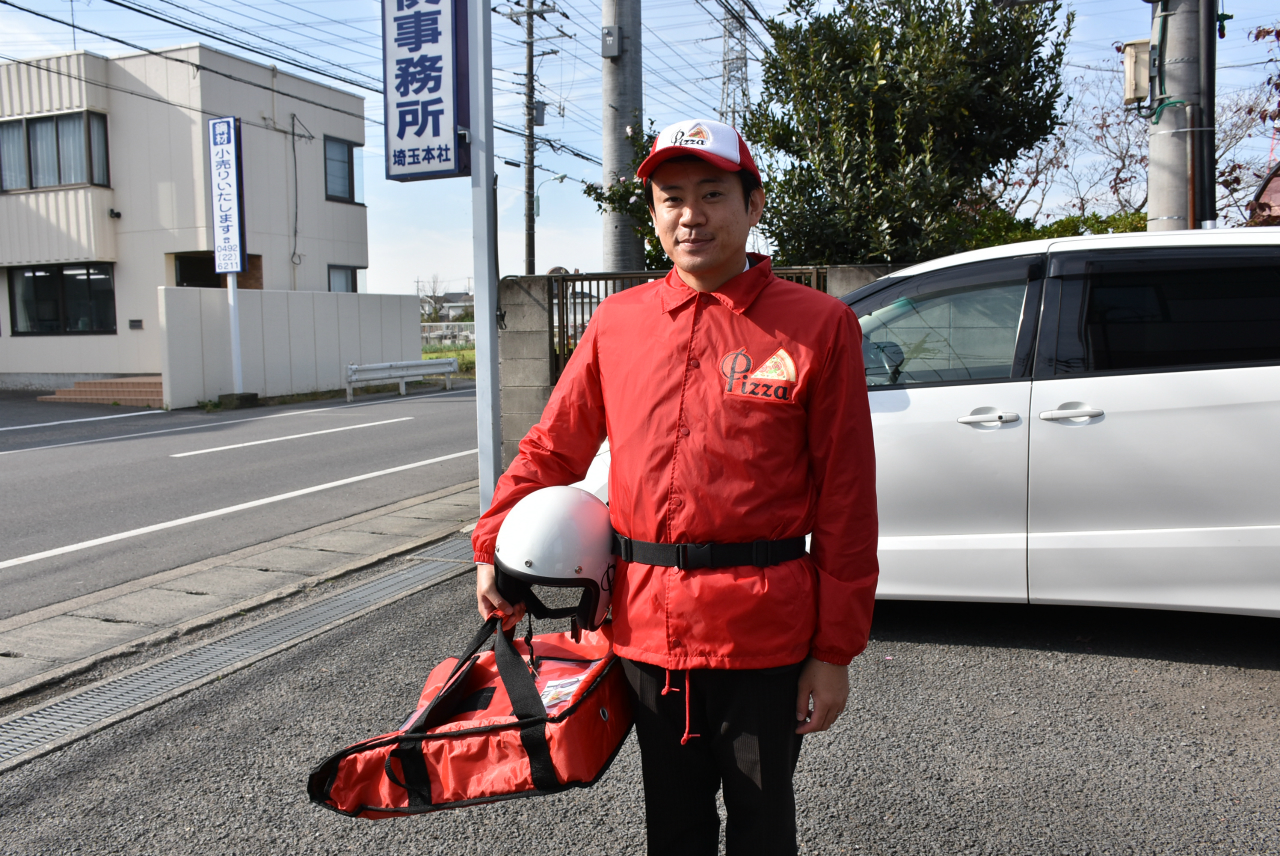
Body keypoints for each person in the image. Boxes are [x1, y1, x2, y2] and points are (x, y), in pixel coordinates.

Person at [472, 118, 878, 855]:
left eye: (713, 194)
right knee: (673, 826)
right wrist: (494, 541)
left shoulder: (818, 326)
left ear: (753, 205)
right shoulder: (617, 323)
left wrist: (835, 651)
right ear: (654, 215)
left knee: (763, 826)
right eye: (672, 198)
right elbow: (552, 447)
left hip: (763, 636)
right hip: (646, 632)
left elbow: (847, 499)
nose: (691, 215)